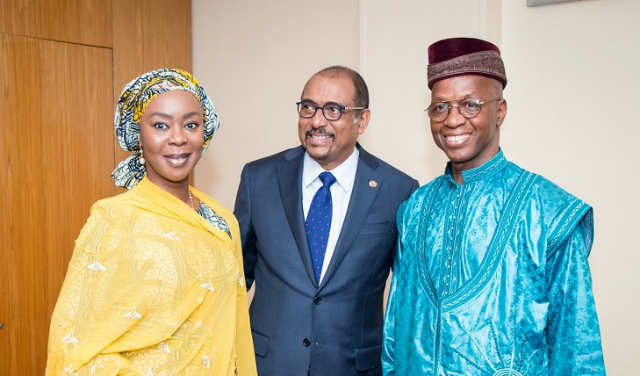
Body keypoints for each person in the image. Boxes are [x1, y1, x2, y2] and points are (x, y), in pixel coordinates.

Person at [381, 38, 606, 375]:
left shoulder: (548, 212)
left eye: (470, 104)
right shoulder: (414, 209)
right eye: (440, 107)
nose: (452, 120)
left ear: (499, 111)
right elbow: (395, 337)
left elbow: (576, 351)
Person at [46, 68, 257, 376]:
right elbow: (75, 347)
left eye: (191, 124)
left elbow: (236, 331)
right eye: (160, 125)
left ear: (205, 131)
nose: (178, 138)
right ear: (138, 135)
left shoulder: (222, 221)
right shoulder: (115, 219)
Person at [234, 66, 418, 376]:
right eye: (308, 107)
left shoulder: (398, 190)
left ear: (363, 120)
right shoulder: (259, 178)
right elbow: (234, 280)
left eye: (333, 110)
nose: (317, 121)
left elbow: (407, 298)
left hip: (352, 368)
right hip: (268, 365)